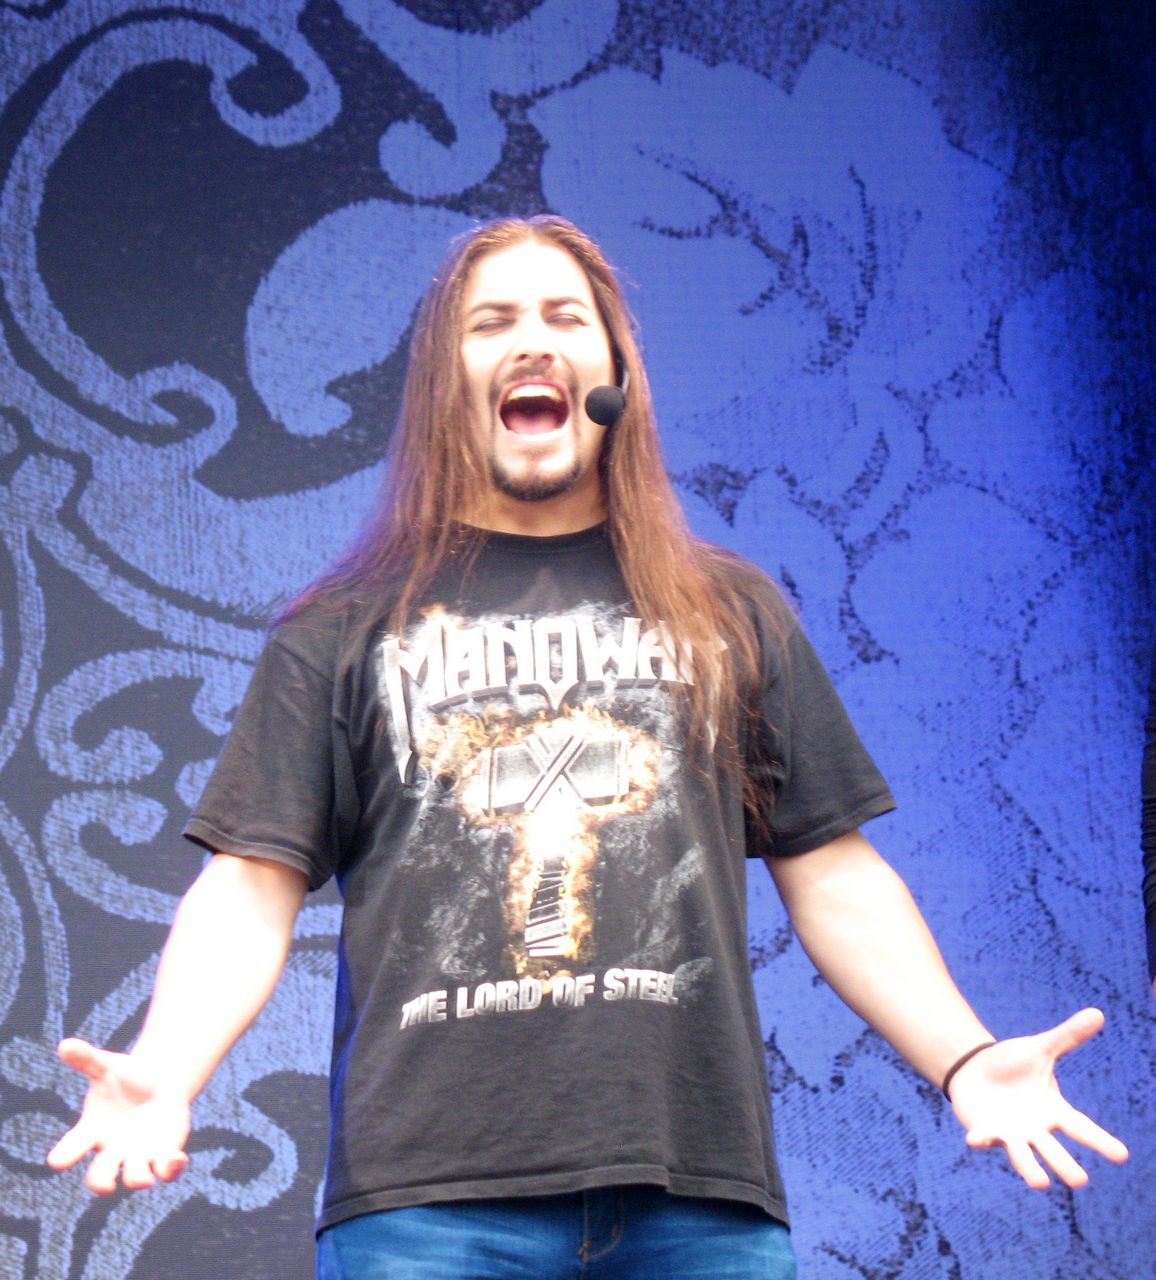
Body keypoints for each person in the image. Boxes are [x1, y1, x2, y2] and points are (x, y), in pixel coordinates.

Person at [46, 216, 1128, 1280]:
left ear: (616, 374)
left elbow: (834, 872)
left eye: (565, 317)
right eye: (492, 322)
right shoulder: (343, 627)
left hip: (697, 1205)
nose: (532, 340)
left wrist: (965, 1056)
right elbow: (250, 884)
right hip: (426, 1212)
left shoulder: (727, 610)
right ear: (444, 382)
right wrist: (168, 1068)